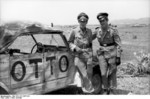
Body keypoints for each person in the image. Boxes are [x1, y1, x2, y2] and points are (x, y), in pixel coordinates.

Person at [92, 12, 122, 94]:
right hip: (102, 53)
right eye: (100, 21)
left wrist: (118, 56)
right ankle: (105, 88)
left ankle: (111, 89)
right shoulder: (97, 31)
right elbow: (88, 38)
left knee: (112, 72)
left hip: (112, 53)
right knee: (103, 73)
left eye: (103, 20)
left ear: (107, 20)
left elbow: (118, 44)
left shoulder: (113, 30)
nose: (102, 22)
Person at [68, 12, 94, 93]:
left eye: (85, 21)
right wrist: (75, 47)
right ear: (78, 21)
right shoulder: (74, 31)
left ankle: (84, 90)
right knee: (84, 75)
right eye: (81, 21)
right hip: (78, 56)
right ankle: (90, 90)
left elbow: (90, 43)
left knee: (89, 74)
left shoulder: (89, 31)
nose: (83, 23)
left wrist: (91, 54)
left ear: (87, 22)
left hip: (88, 55)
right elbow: (69, 42)